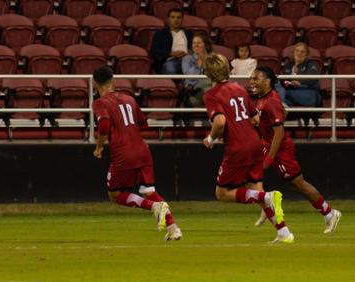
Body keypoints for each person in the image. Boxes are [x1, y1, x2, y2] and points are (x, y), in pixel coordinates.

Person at [202, 53, 294, 244]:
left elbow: (220, 121)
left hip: (238, 147)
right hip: (255, 143)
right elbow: (255, 119)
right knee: (255, 187)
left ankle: (268, 197)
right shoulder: (239, 88)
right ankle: (284, 232)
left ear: (208, 73)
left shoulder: (211, 95)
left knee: (222, 193)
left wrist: (211, 138)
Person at [92, 66, 182, 241]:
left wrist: (99, 146)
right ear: (114, 81)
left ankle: (154, 207)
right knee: (148, 190)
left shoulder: (100, 103)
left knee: (115, 194)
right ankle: (173, 229)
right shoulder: (129, 99)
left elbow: (103, 125)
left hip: (123, 154)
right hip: (142, 151)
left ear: (96, 85)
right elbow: (144, 124)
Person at [249, 66, 341, 234]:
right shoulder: (264, 98)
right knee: (251, 173)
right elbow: (285, 112)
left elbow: (280, 131)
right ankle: (266, 204)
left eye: (256, 78)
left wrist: (270, 157)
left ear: (268, 81)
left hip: (280, 149)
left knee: (299, 184)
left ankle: (330, 213)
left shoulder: (271, 101)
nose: (251, 82)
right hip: (267, 144)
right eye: (251, 78)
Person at [276, 42, 321, 108]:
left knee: (277, 94)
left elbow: (312, 79)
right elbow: (283, 81)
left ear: (306, 54)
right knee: (276, 84)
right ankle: (282, 103)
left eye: (302, 52)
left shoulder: (311, 64)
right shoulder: (288, 65)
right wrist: (289, 83)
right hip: (290, 91)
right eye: (297, 51)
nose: (299, 53)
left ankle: (280, 102)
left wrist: (299, 82)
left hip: (306, 92)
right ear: (293, 52)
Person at [151, 8, 193, 74]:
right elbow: (154, 51)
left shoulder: (189, 34)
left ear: (182, 19)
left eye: (178, 17)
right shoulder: (160, 34)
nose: (176, 20)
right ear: (168, 19)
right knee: (170, 69)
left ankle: (188, 83)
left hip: (187, 59)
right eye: (173, 17)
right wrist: (171, 53)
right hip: (170, 60)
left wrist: (190, 52)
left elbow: (196, 47)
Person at [181, 32, 212, 107]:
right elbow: (189, 77)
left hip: (211, 86)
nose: (196, 45)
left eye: (199, 43)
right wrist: (199, 64)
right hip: (194, 89)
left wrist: (205, 61)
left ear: (205, 45)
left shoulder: (213, 58)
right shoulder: (187, 59)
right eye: (194, 43)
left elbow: (217, 74)